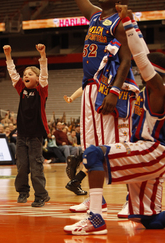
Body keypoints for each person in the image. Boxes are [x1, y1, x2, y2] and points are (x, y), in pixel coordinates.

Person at [64, 5, 165, 235]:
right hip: (152, 156)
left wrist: (128, 23)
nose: (141, 73)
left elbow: (139, 56)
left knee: (93, 153)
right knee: (151, 221)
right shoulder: (143, 94)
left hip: (154, 153)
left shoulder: (158, 89)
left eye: (147, 71)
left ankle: (96, 219)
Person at [64, 0, 139, 206]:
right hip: (89, 87)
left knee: (117, 144)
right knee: (90, 145)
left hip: (108, 87)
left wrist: (114, 91)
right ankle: (95, 199)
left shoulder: (120, 21)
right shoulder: (96, 15)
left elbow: (126, 59)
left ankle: (131, 198)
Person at [3, 43, 50, 207]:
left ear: (37, 78)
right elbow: (12, 73)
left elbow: (44, 72)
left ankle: (41, 195)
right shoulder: (21, 88)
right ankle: (23, 192)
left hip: (36, 135)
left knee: (36, 167)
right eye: (25, 74)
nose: (25, 76)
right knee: (22, 166)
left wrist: (42, 56)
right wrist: (8, 56)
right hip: (22, 135)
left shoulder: (41, 90)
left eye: (30, 74)